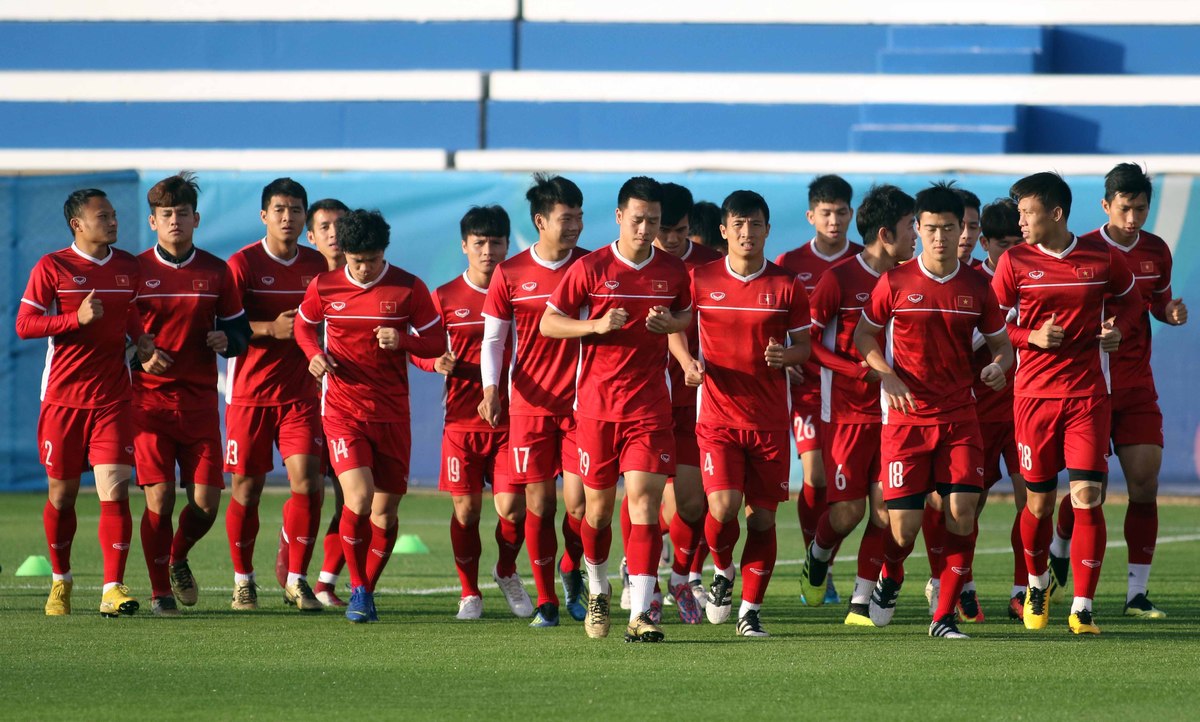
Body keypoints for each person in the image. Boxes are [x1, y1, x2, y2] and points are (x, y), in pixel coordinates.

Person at [854, 182, 1013, 640]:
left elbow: (1002, 347)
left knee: (962, 513)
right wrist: (886, 374)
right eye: (930, 228)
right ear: (918, 229)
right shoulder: (895, 282)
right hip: (906, 420)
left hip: (960, 417)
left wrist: (999, 367)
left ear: (962, 229)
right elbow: (863, 336)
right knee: (902, 530)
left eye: (948, 228)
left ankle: (942, 617)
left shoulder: (978, 286)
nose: (939, 237)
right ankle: (891, 574)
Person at [541, 176, 691, 642]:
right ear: (620, 217)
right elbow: (549, 323)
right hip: (597, 409)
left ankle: (641, 612)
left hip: (650, 408)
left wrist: (671, 323)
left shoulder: (673, 271)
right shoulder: (590, 268)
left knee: (644, 502)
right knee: (598, 512)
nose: (646, 230)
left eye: (654, 222)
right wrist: (596, 325)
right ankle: (599, 587)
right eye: (638, 220)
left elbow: (688, 314)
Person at [991, 171, 1139, 635]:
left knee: (1088, 498)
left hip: (1087, 398)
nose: (1020, 221)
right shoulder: (1014, 261)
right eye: (1019, 213)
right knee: (1038, 504)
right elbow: (991, 324)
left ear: (1055, 213)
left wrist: (1116, 330)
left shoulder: (1102, 258)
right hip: (1033, 399)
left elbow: (1132, 303)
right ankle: (1036, 585)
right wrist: (1029, 337)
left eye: (1027, 212)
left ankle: (1083, 606)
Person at [1045, 164, 1187, 620]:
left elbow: (1157, 302)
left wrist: (1170, 312)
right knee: (1091, 491)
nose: (1133, 218)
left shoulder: (1156, 250)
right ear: (1105, 205)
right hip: (1088, 387)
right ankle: (1060, 545)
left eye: (1141, 208)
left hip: (1136, 385)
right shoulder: (1085, 251)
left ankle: (1136, 594)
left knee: (1145, 484)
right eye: (1125, 208)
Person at [671, 189, 811, 637]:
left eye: (755, 224)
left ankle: (750, 611)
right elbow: (676, 328)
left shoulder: (787, 285)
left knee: (763, 519)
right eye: (738, 225)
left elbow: (804, 347)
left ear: (768, 230)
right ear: (724, 231)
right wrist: (686, 362)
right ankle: (723, 568)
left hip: (769, 421)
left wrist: (785, 356)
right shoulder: (700, 279)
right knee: (723, 505)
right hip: (717, 418)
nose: (747, 232)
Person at [295, 209, 444, 622]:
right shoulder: (325, 286)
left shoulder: (409, 287)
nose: (364, 268)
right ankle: (357, 589)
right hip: (343, 410)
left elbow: (436, 341)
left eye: (373, 260)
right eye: (357, 260)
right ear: (344, 253)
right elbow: (304, 327)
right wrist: (314, 355)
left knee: (385, 512)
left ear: (384, 252)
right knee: (358, 499)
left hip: (392, 413)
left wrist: (404, 340)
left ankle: (367, 588)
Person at [16, 188, 157, 617]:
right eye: (103, 217)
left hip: (113, 398)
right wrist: (73, 319)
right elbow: (25, 325)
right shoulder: (53, 266)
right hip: (63, 400)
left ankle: (112, 589)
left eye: (114, 215)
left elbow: (130, 311)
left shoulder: (128, 266)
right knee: (62, 496)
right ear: (77, 224)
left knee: (115, 490)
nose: (113, 222)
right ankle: (61, 580)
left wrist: (141, 338)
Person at [133, 173, 249, 616]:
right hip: (148, 404)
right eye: (166, 214)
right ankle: (159, 590)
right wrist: (139, 357)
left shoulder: (217, 272)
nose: (175, 221)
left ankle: (177, 556)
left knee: (205, 505)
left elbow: (238, 332)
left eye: (182, 213)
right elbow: (116, 335)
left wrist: (227, 340)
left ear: (196, 219)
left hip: (199, 404)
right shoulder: (135, 271)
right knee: (159, 498)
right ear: (153, 221)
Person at [799, 184, 915, 626]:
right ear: (885, 233)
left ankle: (860, 602)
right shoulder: (840, 279)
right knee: (847, 513)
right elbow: (807, 343)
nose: (917, 235)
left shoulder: (912, 278)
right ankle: (819, 553)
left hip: (898, 414)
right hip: (847, 413)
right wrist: (856, 371)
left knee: (885, 510)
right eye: (910, 226)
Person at [480, 174, 589, 628]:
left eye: (579, 217)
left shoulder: (591, 266)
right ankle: (546, 602)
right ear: (541, 221)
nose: (575, 226)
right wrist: (491, 390)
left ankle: (571, 565)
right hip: (529, 406)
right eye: (566, 218)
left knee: (581, 506)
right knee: (539, 505)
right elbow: (493, 340)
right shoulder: (509, 273)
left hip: (584, 405)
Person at [413, 205, 531, 620]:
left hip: (513, 422)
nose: (488, 251)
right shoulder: (444, 296)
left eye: (496, 243)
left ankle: (506, 570)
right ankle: (469, 592)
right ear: (464, 246)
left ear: (507, 246)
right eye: (479, 243)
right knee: (466, 512)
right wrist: (434, 362)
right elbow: (418, 348)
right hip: (462, 424)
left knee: (513, 510)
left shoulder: (521, 292)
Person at [224, 178, 328, 611]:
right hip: (248, 395)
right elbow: (223, 326)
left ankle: (297, 580)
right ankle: (243, 580)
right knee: (247, 489)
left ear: (305, 218)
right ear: (264, 215)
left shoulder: (318, 265)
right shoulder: (242, 263)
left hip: (299, 396)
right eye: (280, 210)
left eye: (296, 210)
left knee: (308, 482)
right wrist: (270, 328)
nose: (288, 218)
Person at [774, 175, 861, 604]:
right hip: (807, 387)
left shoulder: (864, 261)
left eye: (841, 212)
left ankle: (822, 560)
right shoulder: (789, 263)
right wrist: (787, 356)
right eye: (826, 213)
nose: (834, 220)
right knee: (816, 475)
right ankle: (817, 561)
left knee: (849, 491)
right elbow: (770, 317)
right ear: (811, 215)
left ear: (851, 214)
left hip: (851, 391)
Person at [960, 198, 1028, 622]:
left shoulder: (1039, 277)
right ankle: (962, 585)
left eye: (1019, 243)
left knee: (1034, 502)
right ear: (985, 243)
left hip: (1027, 411)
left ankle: (1024, 590)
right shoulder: (969, 285)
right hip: (978, 413)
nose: (1013, 252)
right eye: (1004, 244)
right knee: (969, 506)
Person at [302, 197, 352, 607]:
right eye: (325, 226)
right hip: (302, 402)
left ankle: (325, 582)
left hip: (349, 406)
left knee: (352, 497)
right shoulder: (307, 279)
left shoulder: (368, 275)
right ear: (311, 235)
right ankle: (292, 572)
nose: (334, 233)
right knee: (307, 491)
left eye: (341, 224)